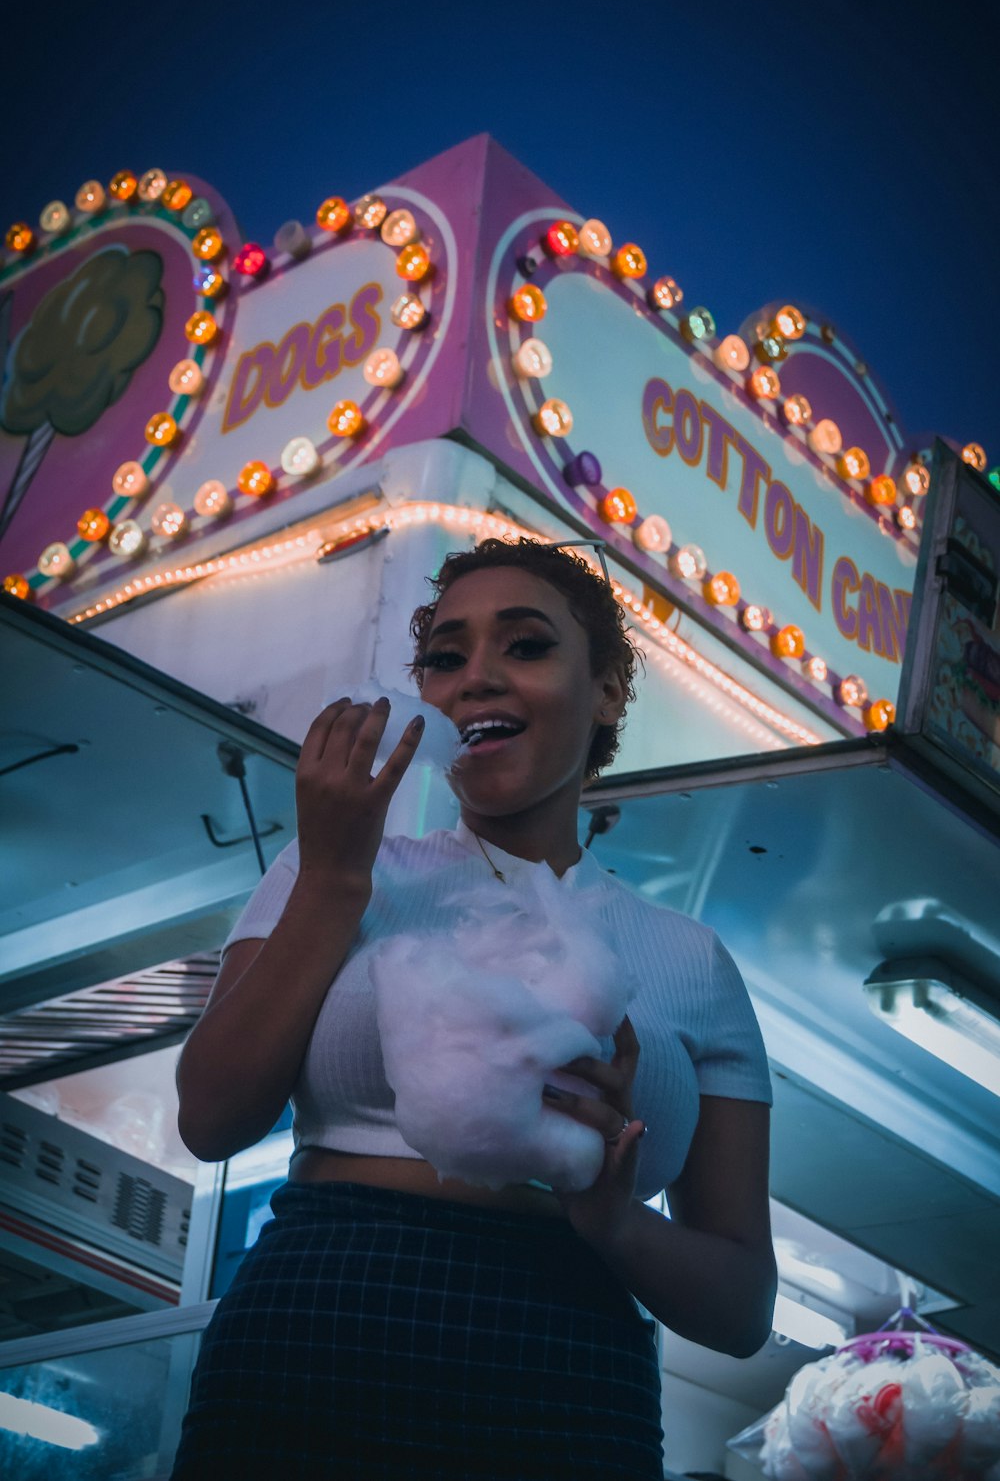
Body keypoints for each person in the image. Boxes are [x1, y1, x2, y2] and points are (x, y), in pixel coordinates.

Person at [170, 537, 776, 1480]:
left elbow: (741, 1309)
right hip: (320, 1321)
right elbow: (210, 1118)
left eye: (525, 646)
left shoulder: (690, 960)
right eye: (446, 658)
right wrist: (333, 878)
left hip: (569, 1367)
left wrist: (613, 1218)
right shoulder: (335, 869)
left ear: (609, 691)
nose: (477, 678)